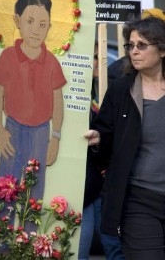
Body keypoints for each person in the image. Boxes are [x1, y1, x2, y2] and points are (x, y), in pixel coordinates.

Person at [86, 16, 165, 259]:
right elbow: (106, 140)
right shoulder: (121, 90)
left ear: (161, 49)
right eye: (130, 45)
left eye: (142, 45)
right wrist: (98, 140)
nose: (134, 51)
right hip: (138, 200)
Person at [0, 0, 66, 206]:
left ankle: (29, 238)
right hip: (12, 130)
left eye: (42, 24)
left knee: (34, 191)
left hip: (41, 133)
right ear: (17, 20)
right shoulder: (8, 56)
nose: (35, 30)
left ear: (50, 26)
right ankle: (1, 239)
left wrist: (56, 137)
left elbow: (58, 103)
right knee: (6, 188)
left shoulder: (51, 62)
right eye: (30, 21)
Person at [78, 44, 124, 260]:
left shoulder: (110, 87)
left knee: (112, 243)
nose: (97, 61)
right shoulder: (75, 94)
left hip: (105, 179)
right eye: (92, 56)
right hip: (86, 183)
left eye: (99, 56)